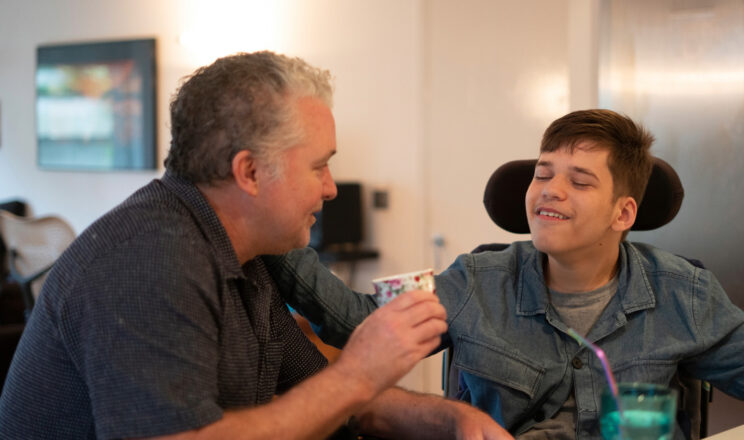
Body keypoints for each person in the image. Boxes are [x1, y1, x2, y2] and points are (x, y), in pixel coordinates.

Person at [0, 51, 512, 440]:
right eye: (318, 166)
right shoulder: (150, 260)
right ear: (249, 172)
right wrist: (358, 373)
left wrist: (452, 419)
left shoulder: (245, 254)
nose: (331, 188)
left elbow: (320, 394)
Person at [267, 109, 744, 440]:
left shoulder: (682, 294)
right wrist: (274, 228)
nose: (550, 191)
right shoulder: (476, 281)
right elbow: (355, 322)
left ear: (624, 214)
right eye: (543, 174)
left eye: (579, 181)